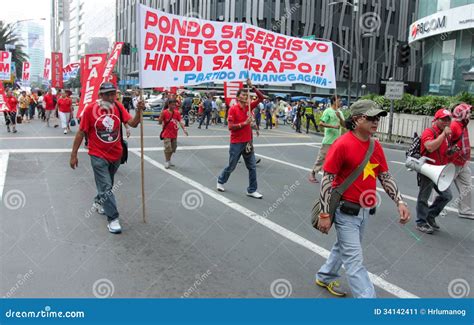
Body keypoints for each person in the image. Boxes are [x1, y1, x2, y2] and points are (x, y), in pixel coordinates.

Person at [315, 99, 410, 298]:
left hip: (364, 212)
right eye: (371, 118)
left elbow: (385, 176)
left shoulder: (375, 146)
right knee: (354, 260)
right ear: (357, 120)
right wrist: (324, 213)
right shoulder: (342, 144)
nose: (376, 122)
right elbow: (327, 180)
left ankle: (324, 276)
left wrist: (400, 201)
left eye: (378, 118)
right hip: (344, 212)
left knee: (343, 247)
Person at [69, 82, 144, 234]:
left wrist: (139, 111)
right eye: (107, 94)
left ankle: (99, 201)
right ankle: (113, 219)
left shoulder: (118, 106)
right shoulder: (90, 110)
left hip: (116, 154)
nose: (111, 97)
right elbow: (81, 133)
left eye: (113, 94)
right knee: (106, 187)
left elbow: (134, 123)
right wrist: (73, 154)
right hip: (97, 155)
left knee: (106, 185)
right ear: (100, 95)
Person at [217, 79, 265, 198]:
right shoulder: (233, 109)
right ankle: (221, 181)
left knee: (252, 167)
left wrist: (252, 86)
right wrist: (244, 123)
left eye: (247, 95)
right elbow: (230, 127)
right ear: (238, 97)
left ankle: (252, 190)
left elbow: (261, 98)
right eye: (244, 95)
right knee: (232, 166)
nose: (246, 96)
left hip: (248, 142)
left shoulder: (249, 107)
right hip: (236, 142)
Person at [415, 108, 453, 234]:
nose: (446, 122)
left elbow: (443, 152)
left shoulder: (446, 135)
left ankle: (430, 215)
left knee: (447, 196)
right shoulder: (429, 132)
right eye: (443, 120)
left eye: (448, 120)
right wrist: (443, 135)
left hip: (439, 171)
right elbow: (430, 147)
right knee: (423, 197)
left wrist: (451, 152)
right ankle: (421, 222)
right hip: (428, 169)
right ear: (436, 120)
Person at [309, 95, 345, 183]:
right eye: (339, 100)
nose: (341, 102)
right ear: (334, 101)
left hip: (338, 141)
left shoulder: (340, 112)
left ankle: (333, 178)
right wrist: (333, 126)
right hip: (328, 140)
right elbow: (321, 123)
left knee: (337, 160)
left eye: (341, 101)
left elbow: (344, 125)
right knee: (321, 158)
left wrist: (339, 117)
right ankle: (313, 173)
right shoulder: (327, 111)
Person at [448, 103, 474, 219]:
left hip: (462, 162)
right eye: (467, 112)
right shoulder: (454, 125)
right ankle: (432, 208)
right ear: (461, 114)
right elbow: (446, 143)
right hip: (452, 162)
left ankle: (465, 210)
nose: (469, 114)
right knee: (442, 186)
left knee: (467, 185)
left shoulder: (463, 124)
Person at [158, 98, 188, 169]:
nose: (174, 106)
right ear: (169, 105)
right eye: (172, 105)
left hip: (174, 133)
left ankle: (169, 160)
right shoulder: (164, 112)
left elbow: (180, 121)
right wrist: (161, 119)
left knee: (173, 148)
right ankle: (166, 161)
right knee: (168, 148)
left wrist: (184, 129)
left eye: (175, 105)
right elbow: (159, 121)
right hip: (166, 133)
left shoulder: (177, 113)